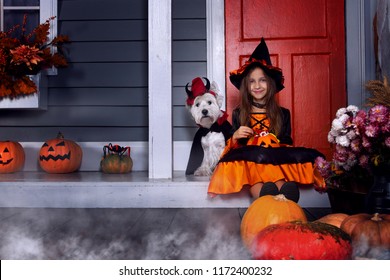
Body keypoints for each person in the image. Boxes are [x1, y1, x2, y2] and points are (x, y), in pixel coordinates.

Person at [207, 38, 325, 202]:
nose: (257, 85)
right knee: (256, 170)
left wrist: (270, 140)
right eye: (252, 81)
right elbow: (234, 146)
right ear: (246, 86)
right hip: (250, 162)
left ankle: (284, 195)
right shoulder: (239, 113)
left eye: (262, 80)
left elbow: (286, 142)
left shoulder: (283, 114)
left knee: (275, 167)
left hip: (274, 159)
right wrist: (236, 136)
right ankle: (264, 197)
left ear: (270, 84)